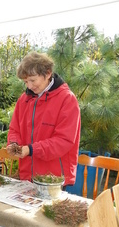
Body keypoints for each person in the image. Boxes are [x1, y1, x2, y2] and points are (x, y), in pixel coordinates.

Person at [6, 51, 81, 187]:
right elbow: (14, 129)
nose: (29, 86)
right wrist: (14, 144)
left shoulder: (67, 99)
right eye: (25, 81)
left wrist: (31, 149)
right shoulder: (24, 100)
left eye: (33, 80)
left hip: (54, 179)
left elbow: (64, 141)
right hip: (27, 176)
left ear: (47, 73)